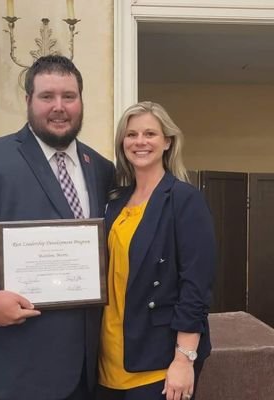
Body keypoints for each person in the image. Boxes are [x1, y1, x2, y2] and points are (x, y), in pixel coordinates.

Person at [0, 55, 115, 400]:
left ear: (81, 101)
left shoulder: (101, 168)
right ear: (28, 101)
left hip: (85, 372)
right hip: (8, 369)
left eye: (69, 96)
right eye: (47, 96)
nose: (59, 107)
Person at [96, 101, 216, 400]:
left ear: (167, 142)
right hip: (106, 362)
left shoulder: (184, 199)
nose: (140, 142)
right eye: (131, 134)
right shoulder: (114, 202)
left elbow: (196, 286)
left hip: (159, 364)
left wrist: (183, 360)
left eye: (150, 133)